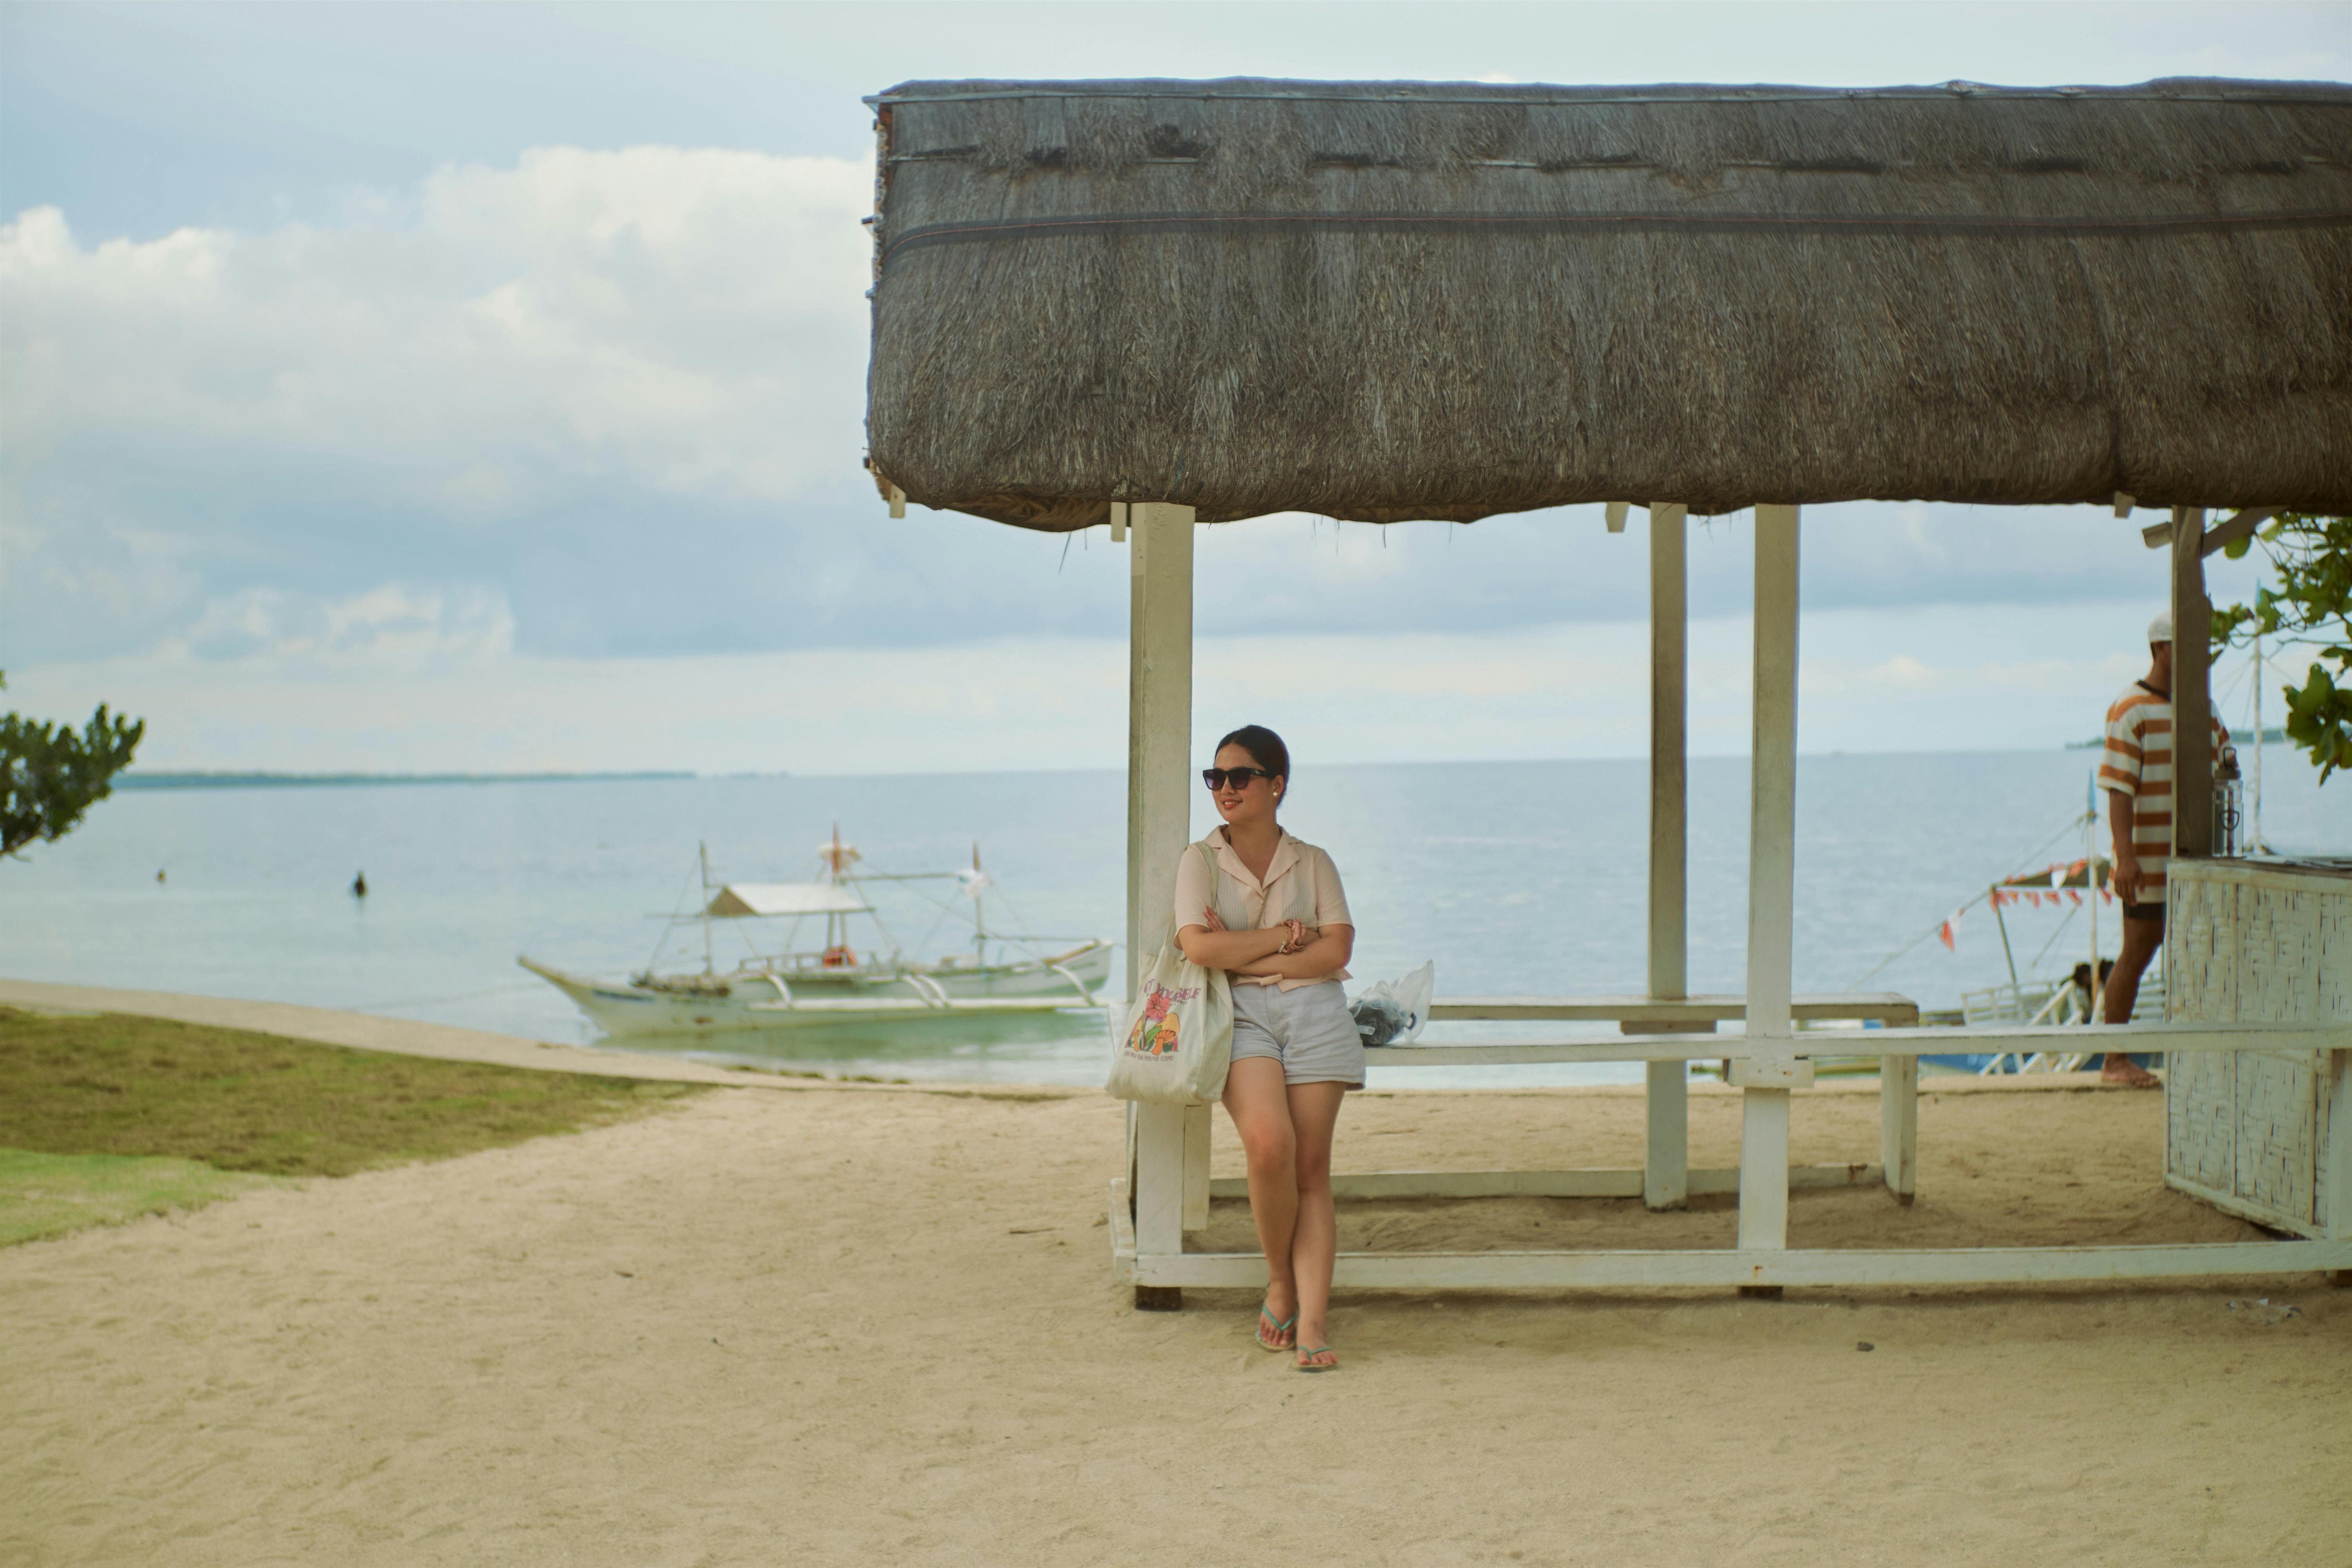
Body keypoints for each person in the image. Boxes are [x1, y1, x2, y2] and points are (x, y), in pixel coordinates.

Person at [1172, 725, 1357, 1374]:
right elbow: (1198, 949)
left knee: (1311, 1169)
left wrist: (1243, 948)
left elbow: (1338, 951)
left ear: (1276, 785)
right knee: (1269, 1145)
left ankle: (1311, 1320)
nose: (1225, 789)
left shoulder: (1313, 861)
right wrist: (1286, 937)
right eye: (1215, 778)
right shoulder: (1200, 862)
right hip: (1240, 1016)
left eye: (1240, 776)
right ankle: (1280, 1278)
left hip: (1316, 1015)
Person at [2096, 611, 2231, 1084]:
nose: (2198, 654)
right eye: (2186, 644)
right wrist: (2125, 856)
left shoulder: (2204, 708)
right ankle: (2114, 1059)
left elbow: (2225, 771)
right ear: (2161, 649)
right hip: (2148, 860)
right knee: (2138, 950)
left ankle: (2197, 1053)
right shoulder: (2130, 708)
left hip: (2197, 856)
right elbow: (2118, 788)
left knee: (2199, 951)